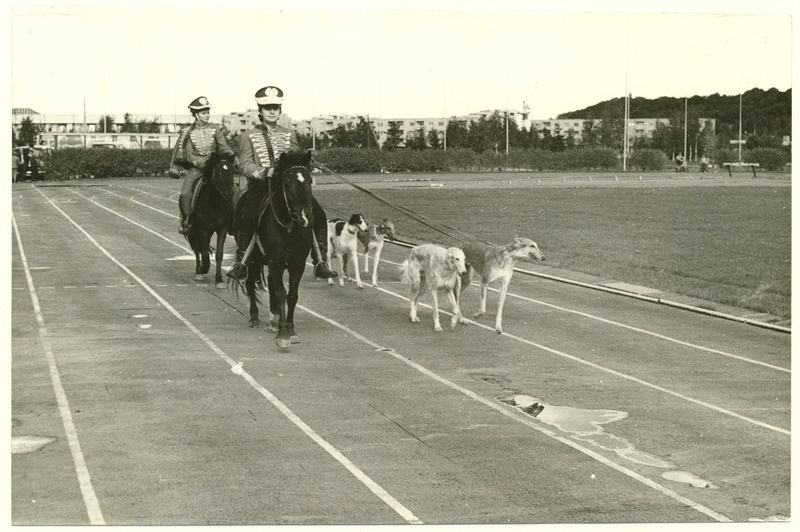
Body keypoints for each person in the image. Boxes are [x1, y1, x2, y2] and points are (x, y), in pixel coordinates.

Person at [227, 85, 337, 281]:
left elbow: (295, 157)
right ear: (260, 111)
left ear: (279, 111)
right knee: (249, 214)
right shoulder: (247, 136)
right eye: (267, 107)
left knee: (318, 213)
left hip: (287, 188)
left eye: (275, 107)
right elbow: (244, 164)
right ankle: (241, 262)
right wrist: (265, 172)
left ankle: (320, 261)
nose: (271, 111)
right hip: (260, 187)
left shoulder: (289, 134)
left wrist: (304, 162)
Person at [170, 96, 234, 235]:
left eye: (208, 112)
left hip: (215, 167)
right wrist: (201, 162)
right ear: (196, 115)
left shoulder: (215, 129)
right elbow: (188, 154)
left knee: (233, 188)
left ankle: (232, 221)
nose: (207, 115)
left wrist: (231, 155)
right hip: (196, 169)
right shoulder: (188, 131)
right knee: (185, 193)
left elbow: (223, 147)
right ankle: (186, 221)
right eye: (204, 113)